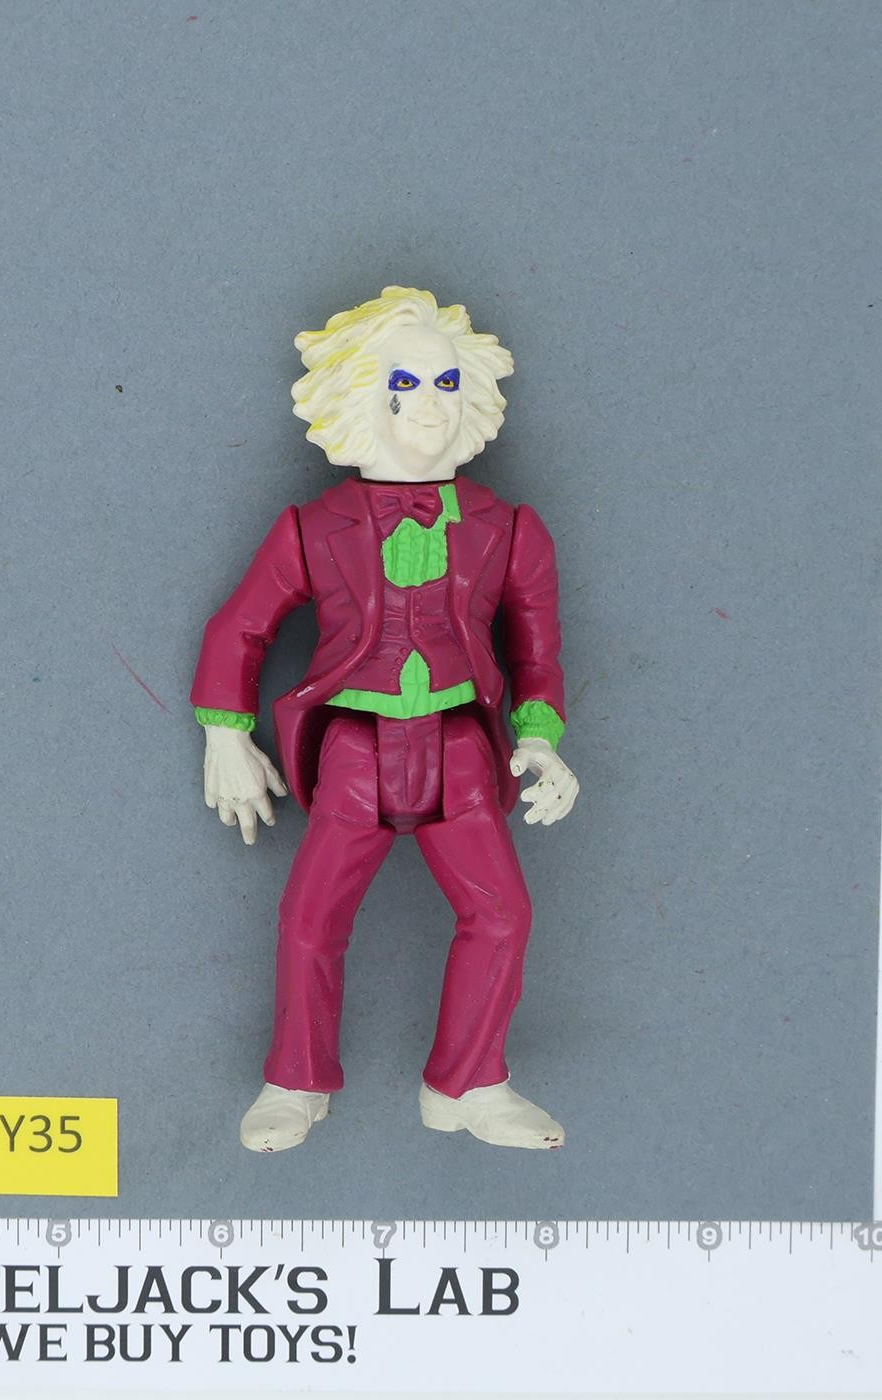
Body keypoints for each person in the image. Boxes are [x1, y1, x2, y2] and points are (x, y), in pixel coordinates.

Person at [191, 286, 580, 1153]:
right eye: (404, 382)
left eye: (447, 383)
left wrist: (541, 741)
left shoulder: (510, 530)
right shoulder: (312, 527)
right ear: (363, 394)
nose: (429, 404)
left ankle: (468, 1083)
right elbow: (240, 628)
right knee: (310, 918)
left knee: (503, 914)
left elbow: (539, 657)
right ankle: (294, 1080)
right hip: (356, 750)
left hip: (460, 747)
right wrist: (225, 731)